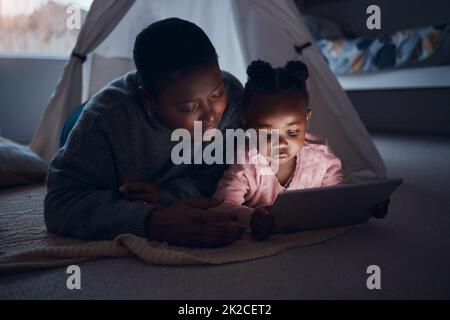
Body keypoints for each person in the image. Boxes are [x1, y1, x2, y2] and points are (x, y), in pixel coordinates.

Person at [44, 18, 245, 247]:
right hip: (79, 121)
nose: (211, 116)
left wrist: (164, 196)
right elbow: (59, 203)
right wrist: (152, 221)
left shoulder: (232, 99)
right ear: (149, 100)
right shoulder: (103, 122)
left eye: (216, 95)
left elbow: (218, 176)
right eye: (189, 107)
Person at [211, 60, 344, 240]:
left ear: (306, 118)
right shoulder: (246, 164)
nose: (280, 143)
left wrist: (364, 205)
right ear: (246, 122)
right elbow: (222, 203)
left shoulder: (321, 157)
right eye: (267, 135)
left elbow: (339, 196)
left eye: (292, 131)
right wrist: (250, 217)